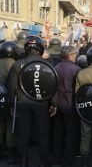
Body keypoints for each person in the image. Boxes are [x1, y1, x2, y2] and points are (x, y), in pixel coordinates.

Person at [7, 36, 55, 167]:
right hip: (41, 102)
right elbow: (54, 85)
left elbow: (12, 87)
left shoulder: (17, 64)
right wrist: (54, 103)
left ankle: (23, 160)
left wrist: (12, 104)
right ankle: (43, 160)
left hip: (22, 102)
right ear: (40, 48)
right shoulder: (47, 64)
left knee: (23, 132)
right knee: (42, 131)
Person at [51, 46, 81, 166]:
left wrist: (53, 104)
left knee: (58, 133)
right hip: (71, 104)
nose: (76, 56)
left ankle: (57, 158)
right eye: (74, 54)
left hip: (57, 104)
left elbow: (52, 88)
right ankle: (68, 160)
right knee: (70, 133)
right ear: (69, 55)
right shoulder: (77, 69)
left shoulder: (55, 68)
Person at [0, 41, 18, 164]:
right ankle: (11, 154)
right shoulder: (15, 64)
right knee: (11, 126)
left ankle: (1, 151)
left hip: (0, 98)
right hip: (11, 99)